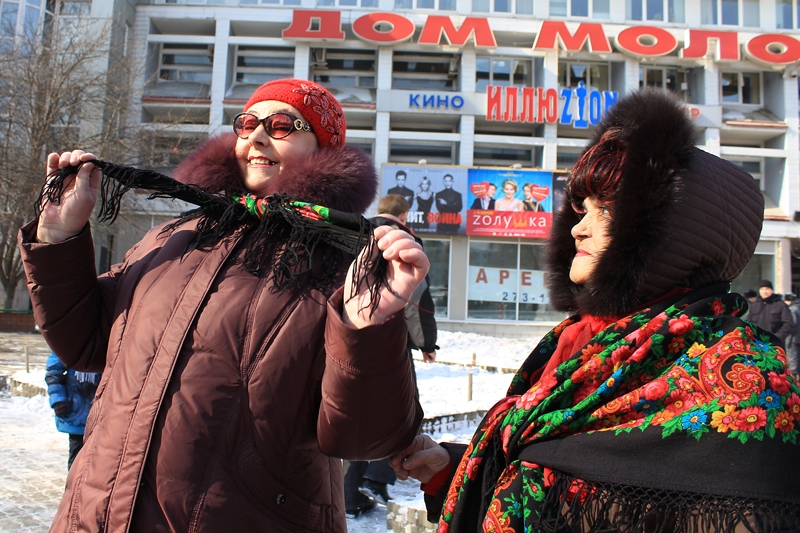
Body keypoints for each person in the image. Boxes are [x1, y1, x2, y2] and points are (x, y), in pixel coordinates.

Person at [20, 79, 426, 533]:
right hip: (96, 515)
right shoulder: (174, 236)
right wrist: (58, 238)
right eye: (247, 124)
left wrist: (367, 329)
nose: (257, 137)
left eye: (280, 125)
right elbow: (86, 341)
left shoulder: (344, 263)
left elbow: (365, 437)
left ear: (323, 148)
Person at [390, 90, 800, 532]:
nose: (579, 228)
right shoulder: (579, 341)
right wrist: (452, 468)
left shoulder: (743, 381)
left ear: (669, 233)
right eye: (581, 208)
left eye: (605, 209)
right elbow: (546, 470)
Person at [344, 193, 439, 516]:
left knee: (354, 411)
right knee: (402, 409)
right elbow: (417, 300)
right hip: (389, 340)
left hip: (345, 336)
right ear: (405, 214)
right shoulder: (404, 242)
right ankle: (376, 478)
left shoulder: (353, 232)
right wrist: (426, 343)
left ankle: (349, 493)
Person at [44, 353, 101, 470]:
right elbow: (53, 373)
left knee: (100, 462)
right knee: (77, 462)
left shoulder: (104, 346)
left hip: (102, 415)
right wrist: (58, 400)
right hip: (76, 416)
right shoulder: (69, 346)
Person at [747, 279, 794, 344]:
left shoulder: (781, 305)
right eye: (762, 289)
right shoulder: (754, 306)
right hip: (756, 343)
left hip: (775, 344)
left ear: (772, 290)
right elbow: (748, 324)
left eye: (767, 289)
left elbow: (788, 324)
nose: (764, 292)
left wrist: (776, 337)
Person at [784, 293, 800, 377]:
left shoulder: (792, 309)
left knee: (793, 357)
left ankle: (794, 377)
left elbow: (792, 324)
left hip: (793, 337)